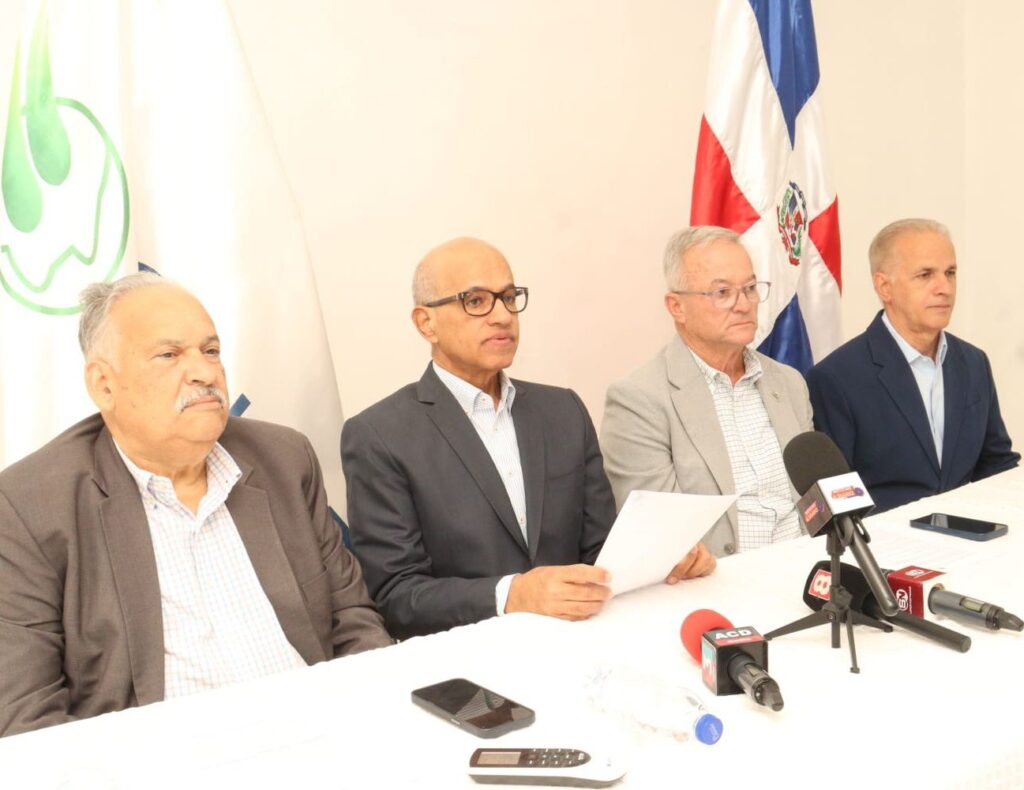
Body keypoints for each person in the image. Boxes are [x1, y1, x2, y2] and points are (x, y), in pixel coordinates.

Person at [0, 274, 391, 738]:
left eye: (210, 350)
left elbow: (353, 622)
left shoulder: (284, 459)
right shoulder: (30, 506)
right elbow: (27, 717)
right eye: (169, 355)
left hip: (323, 734)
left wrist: (378, 721)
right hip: (162, 762)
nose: (205, 373)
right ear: (103, 384)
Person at [342, 238, 710, 640]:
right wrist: (512, 594)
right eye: (476, 301)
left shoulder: (563, 411)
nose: (502, 316)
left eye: (508, 297)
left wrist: (660, 561)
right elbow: (396, 596)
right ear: (425, 323)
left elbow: (600, 551)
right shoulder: (380, 435)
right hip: (472, 658)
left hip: (586, 641)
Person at [601, 226, 813, 557]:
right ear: (676, 307)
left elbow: (815, 497)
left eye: (750, 288)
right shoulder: (639, 399)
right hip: (719, 578)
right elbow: (660, 534)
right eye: (722, 293)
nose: (743, 305)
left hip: (807, 565)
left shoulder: (788, 383)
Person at [806, 219, 1019, 512]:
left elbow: (996, 463)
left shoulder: (974, 363)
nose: (944, 288)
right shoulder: (835, 378)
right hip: (885, 538)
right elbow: (837, 497)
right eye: (925, 275)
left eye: (950, 273)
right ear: (884, 287)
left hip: (971, 531)